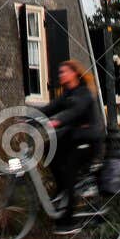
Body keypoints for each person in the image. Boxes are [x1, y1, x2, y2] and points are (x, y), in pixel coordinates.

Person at [37, 59, 104, 228]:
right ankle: (62, 190)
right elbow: (51, 108)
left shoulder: (84, 93)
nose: (61, 75)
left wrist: (58, 121)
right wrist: (28, 116)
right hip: (74, 138)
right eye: (60, 72)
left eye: (64, 72)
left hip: (88, 141)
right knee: (47, 148)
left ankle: (68, 222)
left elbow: (75, 111)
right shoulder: (67, 93)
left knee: (70, 171)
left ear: (74, 73)